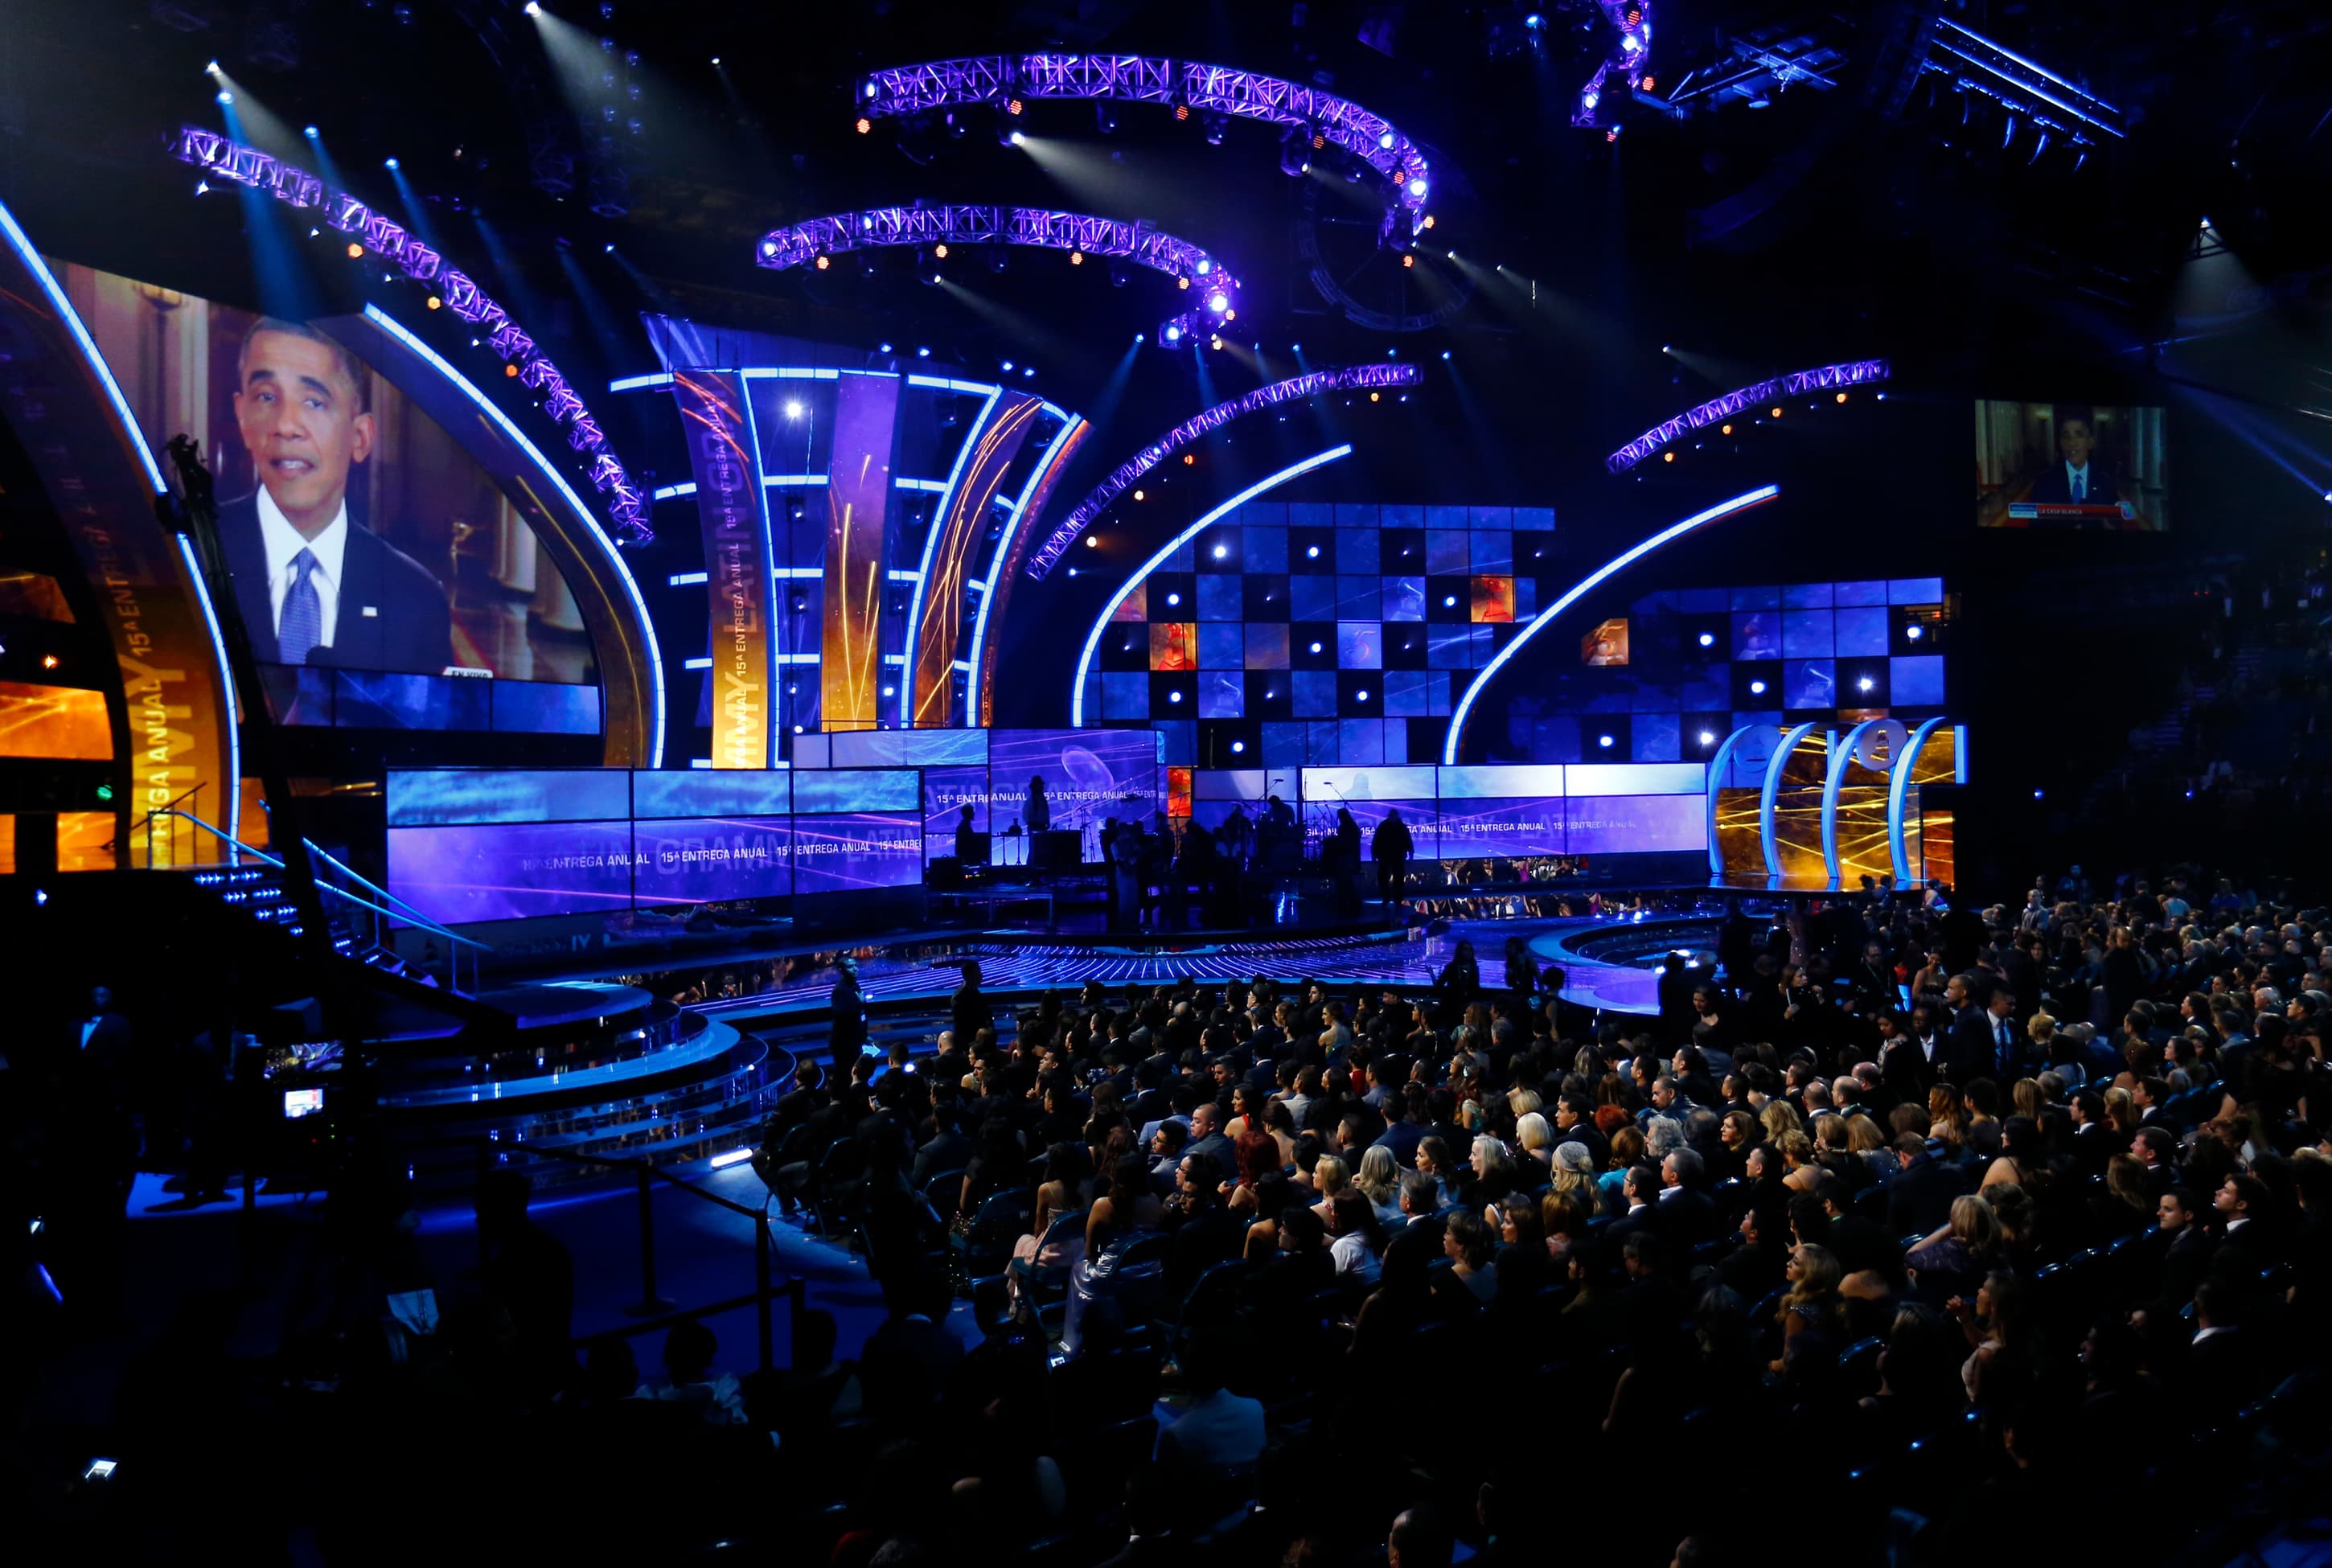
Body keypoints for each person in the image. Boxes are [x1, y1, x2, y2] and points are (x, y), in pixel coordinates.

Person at [216, 316, 451, 671]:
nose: (285, 426)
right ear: (242, 417)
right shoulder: (185, 558)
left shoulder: (415, 597)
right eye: (266, 396)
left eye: (313, 402)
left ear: (360, 438)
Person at [634, 1320, 747, 1426]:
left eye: (694, 1358)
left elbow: (738, 1420)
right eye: (682, 1357)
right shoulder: (649, 1394)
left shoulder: (723, 1386)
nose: (688, 1363)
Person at [2026, 405, 2119, 509]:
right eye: (2066, 436)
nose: (2071, 442)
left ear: (2090, 442)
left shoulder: (2106, 483)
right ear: (2060, 442)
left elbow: (2116, 523)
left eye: (2079, 435)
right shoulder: (2043, 482)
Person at [1373, 808, 1414, 908]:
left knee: (1398, 879)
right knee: (1384, 878)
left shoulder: (1399, 827)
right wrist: (1374, 855)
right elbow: (1376, 841)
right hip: (1386, 856)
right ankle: (1387, 898)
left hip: (1397, 857)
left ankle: (1397, 900)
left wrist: (1411, 854)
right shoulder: (1385, 826)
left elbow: (1408, 841)